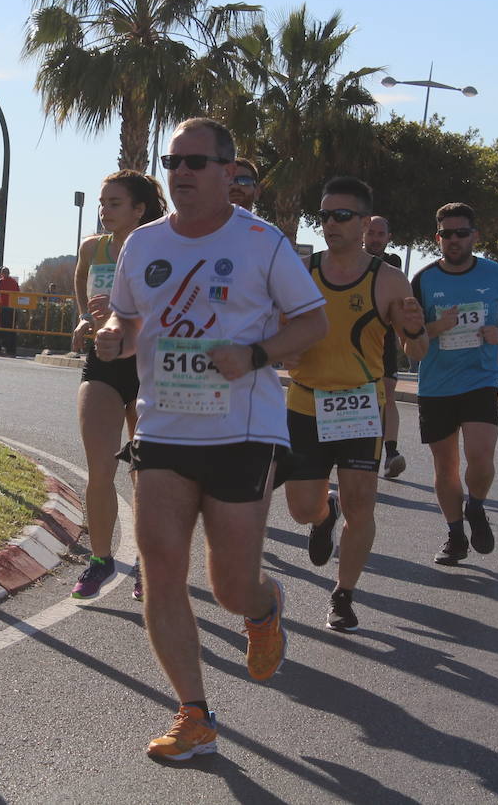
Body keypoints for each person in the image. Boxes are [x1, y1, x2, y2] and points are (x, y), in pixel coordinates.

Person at [95, 117, 327, 762]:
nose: (182, 173)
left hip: (242, 432)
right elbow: (128, 313)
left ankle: (262, 607)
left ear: (229, 171)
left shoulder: (262, 242)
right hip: (163, 426)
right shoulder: (141, 244)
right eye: (173, 162)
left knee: (229, 586)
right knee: (163, 572)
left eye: (197, 162)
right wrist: (116, 333)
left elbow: (311, 322)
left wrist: (254, 354)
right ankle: (193, 714)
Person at [283, 179, 428, 633]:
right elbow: (283, 335)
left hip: (358, 406)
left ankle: (343, 594)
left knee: (362, 504)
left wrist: (417, 330)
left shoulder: (388, 280)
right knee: (300, 509)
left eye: (342, 216)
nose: (331, 224)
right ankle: (324, 516)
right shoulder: (302, 272)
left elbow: (416, 353)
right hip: (305, 403)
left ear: (366, 223)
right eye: (324, 215)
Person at [411, 203, 498, 565]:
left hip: (480, 380)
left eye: (462, 233)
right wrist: (435, 328)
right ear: (438, 238)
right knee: (445, 468)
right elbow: (410, 341)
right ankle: (455, 535)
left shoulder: (494, 274)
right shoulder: (424, 280)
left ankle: (475, 507)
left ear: (474, 236)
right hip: (436, 386)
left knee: (480, 457)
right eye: (447, 234)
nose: (455, 240)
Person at [70, 169, 166, 602]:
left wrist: (126, 310)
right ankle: (100, 559)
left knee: (144, 474)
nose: (104, 210)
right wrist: (86, 318)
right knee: (100, 469)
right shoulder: (93, 247)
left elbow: (172, 307)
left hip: (148, 362)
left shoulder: (161, 249)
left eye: (114, 203)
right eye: (102, 203)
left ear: (139, 209)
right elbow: (81, 285)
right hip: (104, 360)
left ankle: (149, 564)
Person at [365, 215, 408, 478]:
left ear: (388, 238)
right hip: (354, 342)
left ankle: (390, 452)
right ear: (362, 233)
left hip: (383, 341)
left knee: (388, 395)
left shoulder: (392, 264)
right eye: (371, 233)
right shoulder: (350, 261)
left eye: (381, 234)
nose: (376, 238)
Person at [0, 266, 20, 356]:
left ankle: (5, 347)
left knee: (4, 328)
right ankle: (12, 349)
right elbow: (18, 293)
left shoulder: (1, 281)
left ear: (2, 273)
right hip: (13, 308)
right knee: (12, 329)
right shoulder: (14, 282)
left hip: (5, 307)